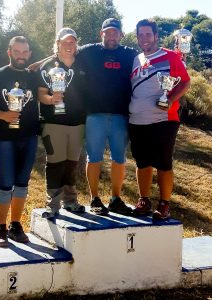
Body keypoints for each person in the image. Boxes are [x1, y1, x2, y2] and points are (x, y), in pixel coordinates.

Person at [0, 36, 39, 247]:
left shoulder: (33, 75)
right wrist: (2, 115)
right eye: (17, 51)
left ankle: (15, 225)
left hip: (29, 136)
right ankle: (0, 227)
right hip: (4, 138)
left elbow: (49, 75)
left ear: (29, 54)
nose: (21, 56)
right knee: (5, 184)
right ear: (9, 52)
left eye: (25, 52)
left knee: (22, 183)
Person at [129, 19, 191, 220]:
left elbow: (185, 82)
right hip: (137, 120)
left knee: (163, 162)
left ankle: (164, 204)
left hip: (164, 118)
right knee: (142, 162)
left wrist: (170, 99)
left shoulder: (170, 56)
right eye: (140, 35)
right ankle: (144, 200)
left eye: (148, 34)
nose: (144, 38)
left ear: (156, 36)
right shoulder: (136, 59)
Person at [77, 18, 137, 215]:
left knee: (119, 159)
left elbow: (150, 61)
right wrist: (38, 65)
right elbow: (65, 51)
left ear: (121, 34)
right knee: (94, 158)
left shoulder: (130, 54)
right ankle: (94, 198)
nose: (111, 36)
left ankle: (115, 199)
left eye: (115, 32)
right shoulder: (89, 51)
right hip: (95, 115)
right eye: (107, 32)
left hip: (120, 116)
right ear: (101, 33)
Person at [37, 28, 86, 218]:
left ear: (76, 44)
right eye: (65, 42)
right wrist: (51, 99)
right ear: (57, 43)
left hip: (77, 123)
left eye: (72, 42)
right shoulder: (48, 65)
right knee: (55, 163)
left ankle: (71, 201)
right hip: (53, 122)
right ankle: (53, 204)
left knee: (72, 163)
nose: (69, 45)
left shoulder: (82, 65)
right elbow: (41, 94)